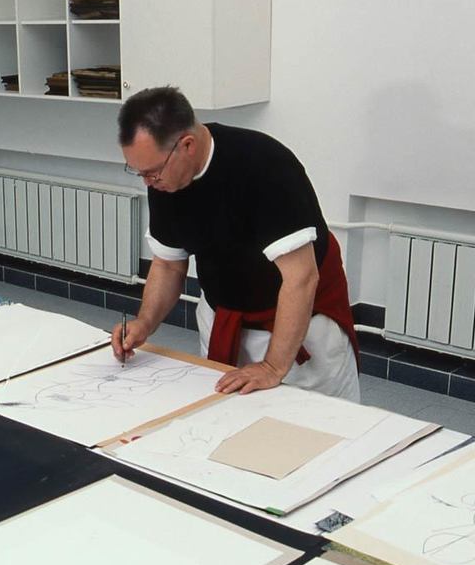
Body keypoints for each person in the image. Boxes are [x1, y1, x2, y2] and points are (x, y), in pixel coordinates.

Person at [111, 86, 361, 400]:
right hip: (225, 316)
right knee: (227, 418)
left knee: (312, 421)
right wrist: (145, 323)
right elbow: (168, 265)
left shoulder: (265, 166)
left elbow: (301, 278)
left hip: (298, 325)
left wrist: (272, 366)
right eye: (139, 173)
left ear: (187, 145)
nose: (148, 182)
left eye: (152, 172)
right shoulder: (165, 180)